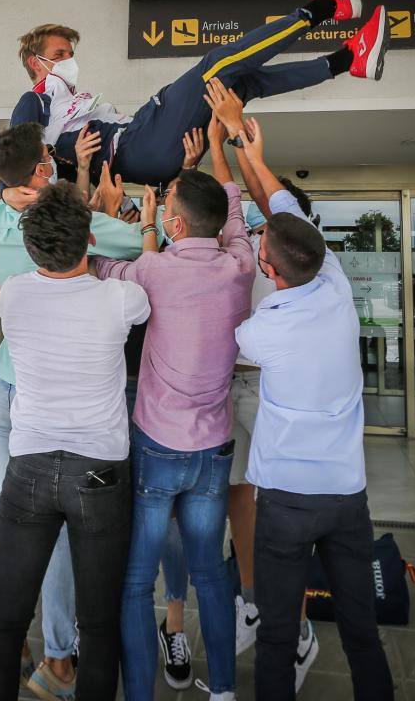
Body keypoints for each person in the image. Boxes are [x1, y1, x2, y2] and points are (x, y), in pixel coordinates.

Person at [0, 121, 164, 700]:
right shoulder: (121, 298)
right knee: (99, 623)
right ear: (89, 241)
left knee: (5, 622)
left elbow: (21, 238)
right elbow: (146, 265)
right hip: (99, 473)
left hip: (29, 468)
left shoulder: (15, 293)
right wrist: (143, 221)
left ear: (30, 247)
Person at [230, 119, 395, 700]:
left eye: (260, 254)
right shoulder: (334, 283)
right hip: (348, 501)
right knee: (361, 633)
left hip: (287, 505)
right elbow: (282, 211)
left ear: (270, 273)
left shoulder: (262, 331)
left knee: (276, 636)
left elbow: (235, 330)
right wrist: (256, 155)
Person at [93, 118, 256, 701]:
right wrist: (210, 158)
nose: (161, 211)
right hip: (213, 449)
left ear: (175, 223)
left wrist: (99, 211)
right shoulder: (240, 266)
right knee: (211, 573)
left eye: (166, 207)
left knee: (137, 582)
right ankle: (225, 692)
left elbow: (101, 270)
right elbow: (233, 216)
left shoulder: (155, 270)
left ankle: (139, 692)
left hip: (158, 448)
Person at [12, 0, 389, 185]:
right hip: (137, 146)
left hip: (147, 150)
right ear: (36, 62)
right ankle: (325, 5)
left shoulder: (67, 102)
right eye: (60, 55)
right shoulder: (36, 99)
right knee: (216, 68)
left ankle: (348, 60)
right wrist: (50, 179)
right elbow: (14, 168)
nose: (68, 61)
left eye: (69, 54)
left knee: (240, 84)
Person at [204, 78, 321, 691]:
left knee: (278, 514)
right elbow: (228, 197)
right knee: (236, 497)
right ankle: (251, 598)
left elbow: (253, 190)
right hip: (231, 386)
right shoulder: (238, 235)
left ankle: (298, 626)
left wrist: (239, 137)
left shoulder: (296, 249)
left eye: (263, 207)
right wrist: (219, 146)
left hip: (273, 388)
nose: (253, 210)